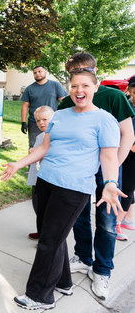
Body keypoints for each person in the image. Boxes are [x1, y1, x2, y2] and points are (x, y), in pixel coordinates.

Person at [0, 52, 125, 310]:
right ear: (69, 89)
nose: (79, 91)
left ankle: (39, 297)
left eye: (85, 86)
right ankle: (64, 282)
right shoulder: (61, 114)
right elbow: (44, 147)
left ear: (95, 87)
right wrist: (19, 163)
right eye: (74, 86)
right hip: (46, 182)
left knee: (49, 242)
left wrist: (111, 182)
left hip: (74, 189)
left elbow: (109, 156)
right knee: (51, 236)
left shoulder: (104, 119)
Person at [58, 65, 134, 300]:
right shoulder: (65, 103)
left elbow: (128, 135)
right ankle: (82, 256)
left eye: (84, 78)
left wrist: (113, 172)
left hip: (108, 170)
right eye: (73, 78)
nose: (78, 86)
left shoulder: (115, 97)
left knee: (107, 220)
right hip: (78, 171)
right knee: (78, 215)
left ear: (95, 76)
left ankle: (102, 270)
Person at [26, 105, 54, 240]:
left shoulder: (55, 136)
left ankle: (46, 237)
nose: (41, 123)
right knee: (37, 206)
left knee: (47, 210)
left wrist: (35, 152)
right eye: (38, 120)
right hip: (36, 178)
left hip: (47, 179)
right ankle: (41, 230)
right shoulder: (40, 136)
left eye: (45, 119)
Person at [20, 66, 66, 148]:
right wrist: (23, 122)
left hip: (52, 122)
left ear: (46, 72)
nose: (37, 74)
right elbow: (25, 106)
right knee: (33, 146)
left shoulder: (55, 85)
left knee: (53, 146)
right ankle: (32, 161)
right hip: (35, 123)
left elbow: (63, 103)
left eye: (39, 71)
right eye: (35, 73)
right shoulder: (29, 89)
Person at [117, 76, 135, 236]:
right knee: (126, 189)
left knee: (130, 188)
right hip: (125, 153)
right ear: (129, 90)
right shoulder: (126, 107)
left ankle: (127, 219)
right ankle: (116, 224)